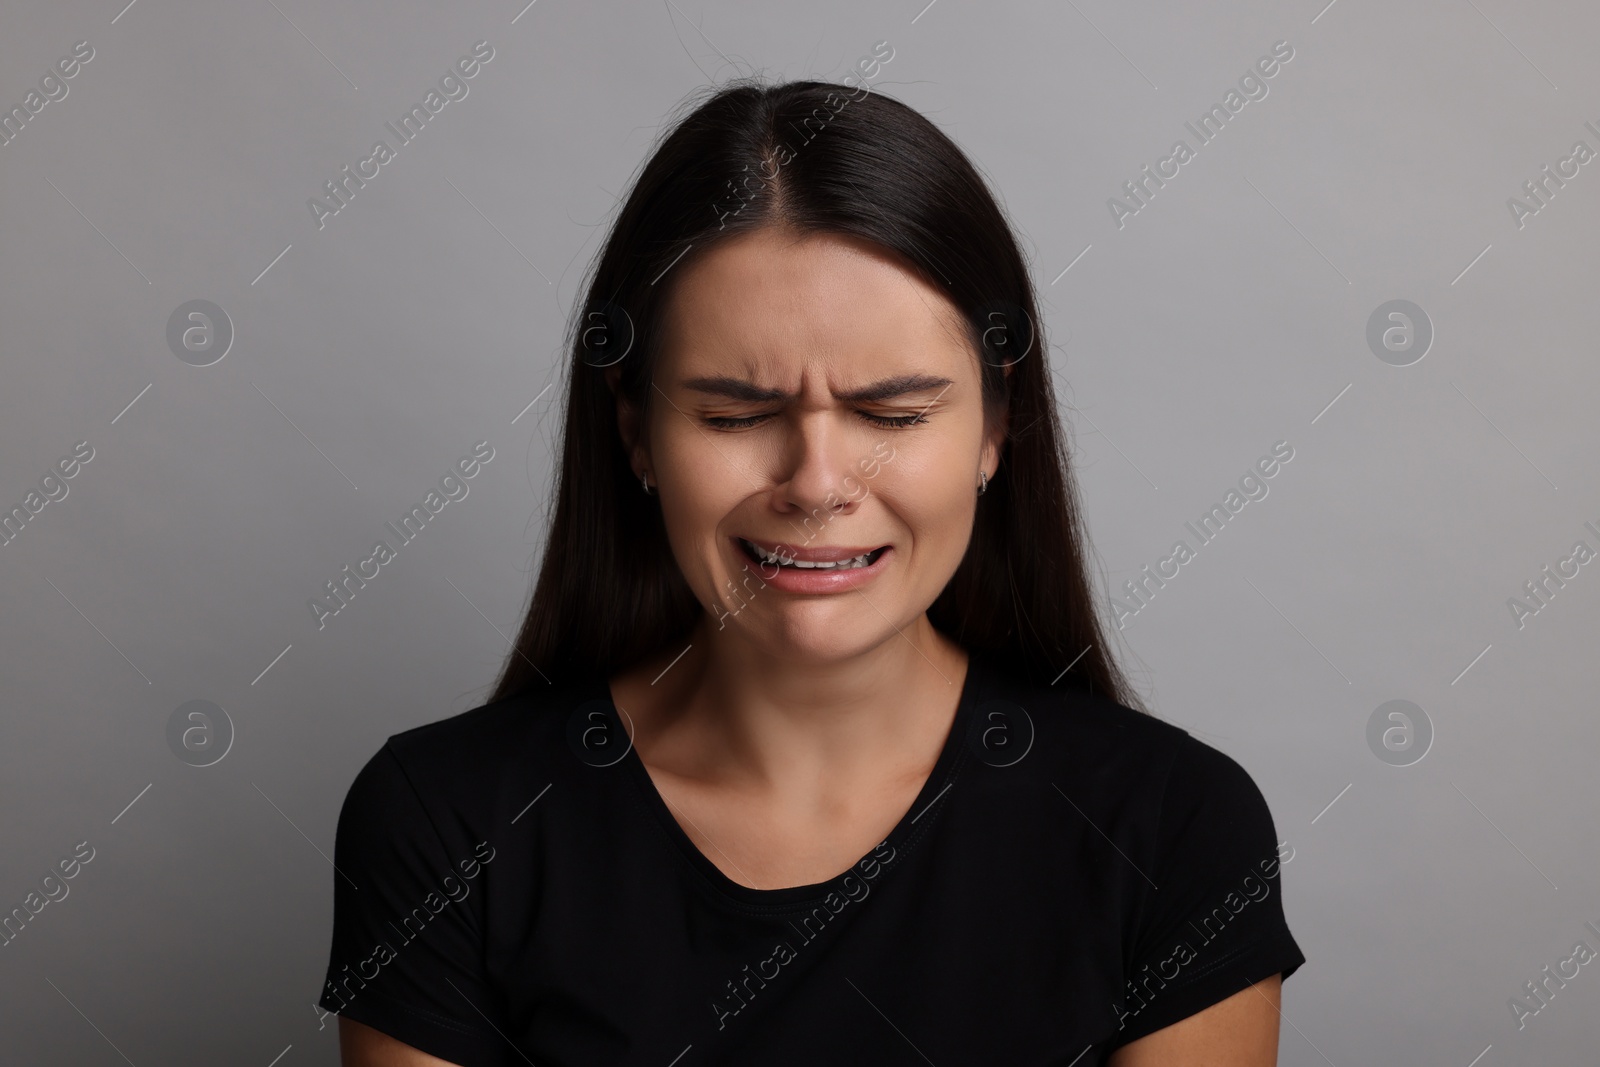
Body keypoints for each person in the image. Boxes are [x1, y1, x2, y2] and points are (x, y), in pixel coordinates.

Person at [318, 77, 1305, 1066]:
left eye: (891, 413)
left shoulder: (1175, 830)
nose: (819, 483)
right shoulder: (443, 824)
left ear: (995, 428)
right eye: (735, 414)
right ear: (636, 432)